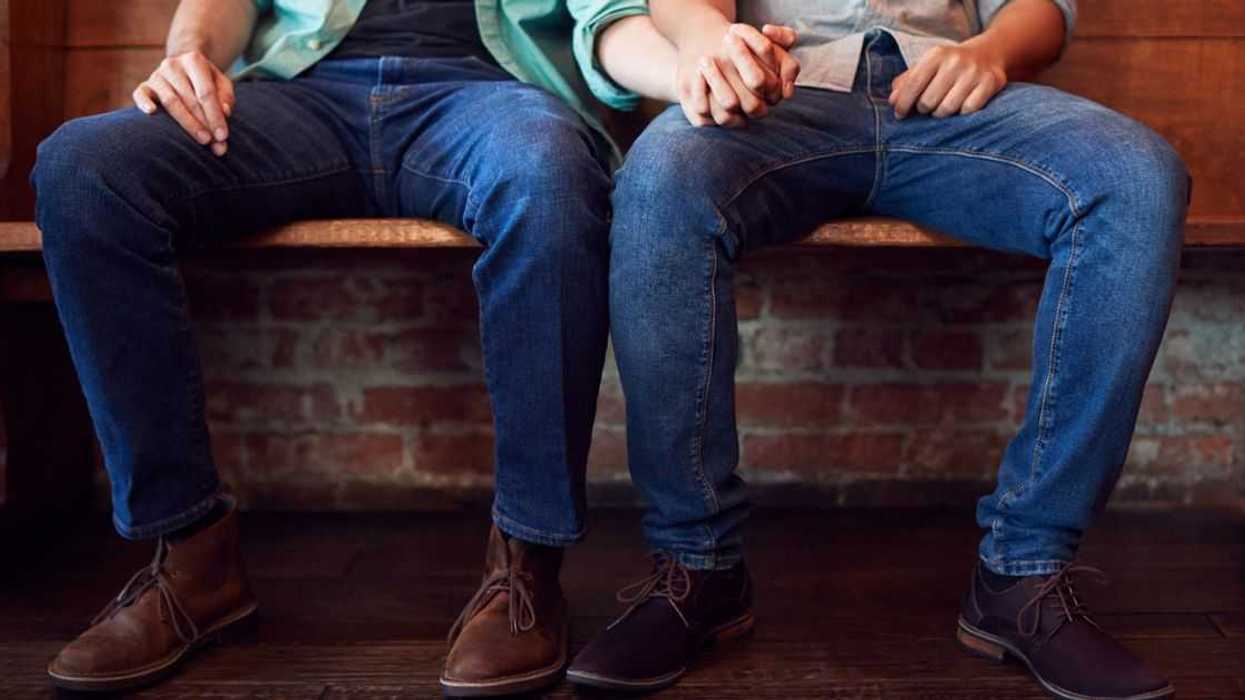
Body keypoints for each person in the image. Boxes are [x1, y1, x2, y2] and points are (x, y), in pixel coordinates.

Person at [31, 0, 683, 695]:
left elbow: (606, 15)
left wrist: (688, 70)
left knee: (548, 176)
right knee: (85, 169)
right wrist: (187, 57)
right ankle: (193, 561)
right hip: (303, 93)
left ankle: (528, 566)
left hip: (491, 97)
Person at [568, 1, 1190, 698]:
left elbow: (1039, 10)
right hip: (782, 98)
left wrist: (990, 53)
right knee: (660, 177)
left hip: (952, 100)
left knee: (1135, 177)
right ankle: (696, 563)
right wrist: (712, 43)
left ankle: (1024, 571)